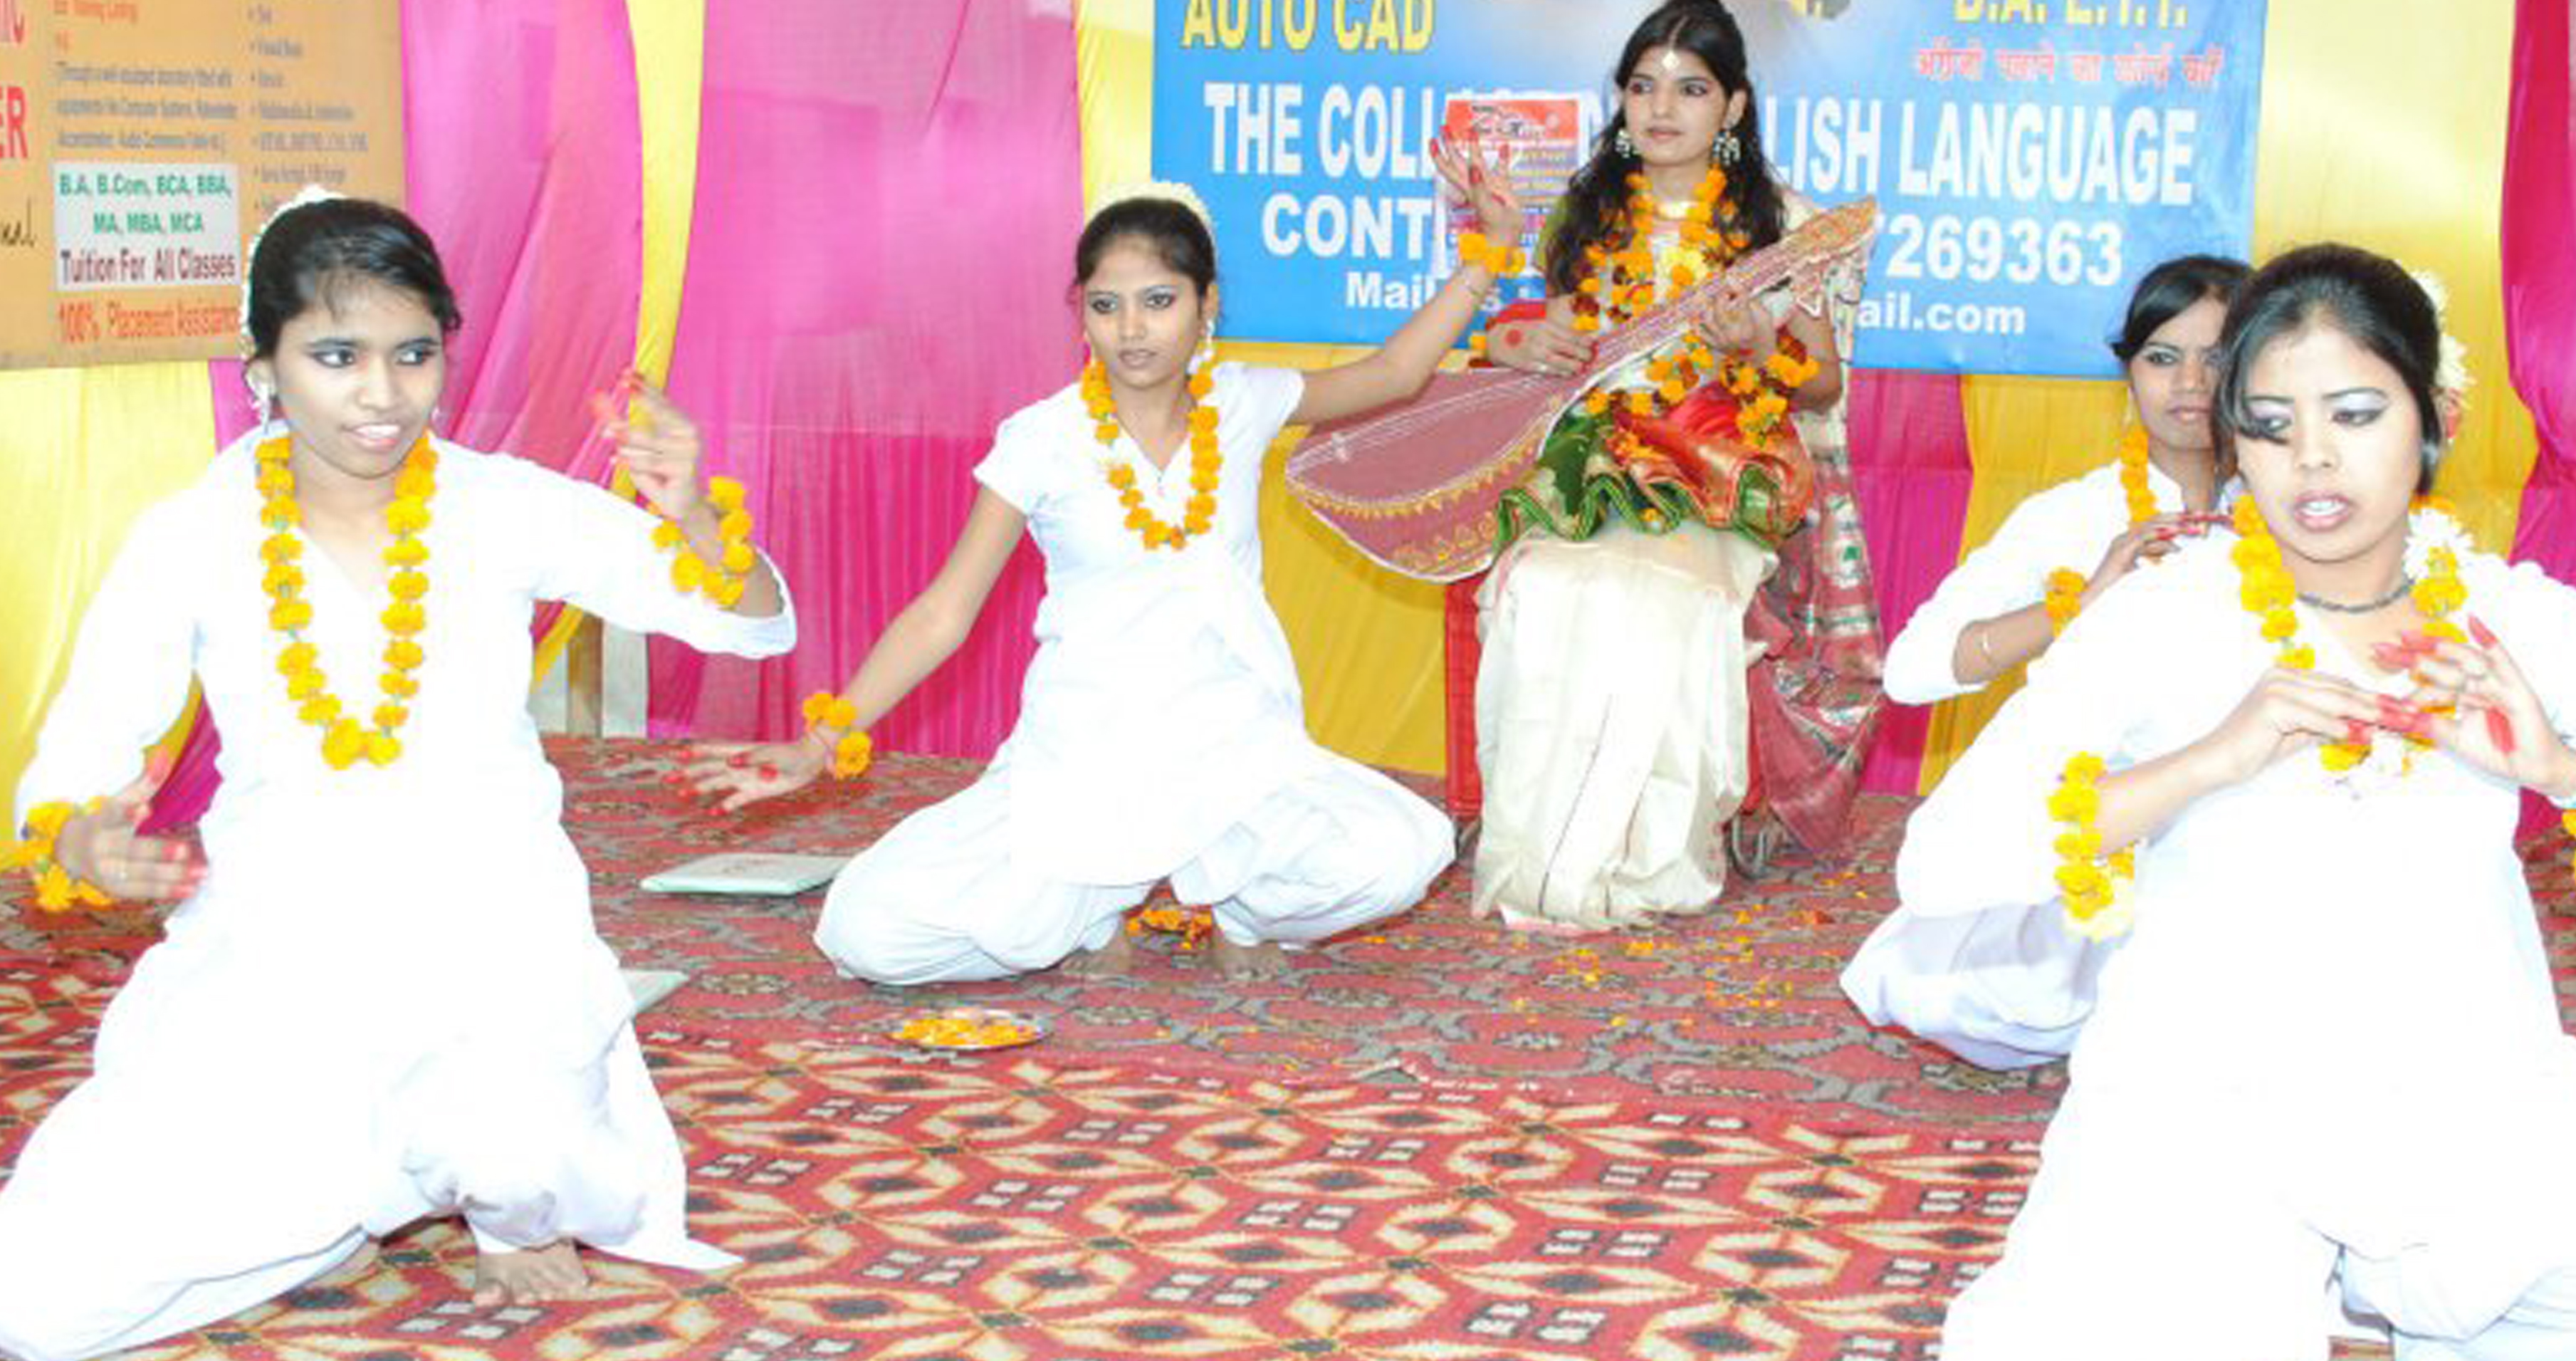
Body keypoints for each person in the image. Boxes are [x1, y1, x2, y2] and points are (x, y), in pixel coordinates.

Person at [1910, 243, 2576, 1361]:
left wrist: (2563, 767)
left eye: (2356, 415)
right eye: (2272, 426)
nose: (2315, 463)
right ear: (2232, 445)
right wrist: (2211, 758)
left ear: (2436, 423)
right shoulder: (2165, 617)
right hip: (2208, 1081)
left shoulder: (2515, 621)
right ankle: (2313, 1275)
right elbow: (1942, 858)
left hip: (2453, 1084)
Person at [0, 197, 794, 1361]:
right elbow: (76, 764)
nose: (383, 395)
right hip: (278, 954)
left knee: (526, 1164)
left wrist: (692, 516)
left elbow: (751, 630)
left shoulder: (497, 502)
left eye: (413, 353)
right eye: (337, 356)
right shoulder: (194, 533)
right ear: (260, 366)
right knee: (36, 1309)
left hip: (491, 949)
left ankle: (414, 1185)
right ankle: (343, 1208)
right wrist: (87, 847)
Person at [687, 162, 1520, 981]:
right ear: (1080, 315)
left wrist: (1492, 251)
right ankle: (1092, 909)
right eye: (1106, 305)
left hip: (1234, 750)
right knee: (868, 930)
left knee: (1399, 852)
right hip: (1083, 758)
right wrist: (821, 739)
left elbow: (1394, 375)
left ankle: (1240, 908)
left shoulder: (1242, 402)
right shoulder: (1042, 438)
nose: (1132, 330)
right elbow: (944, 611)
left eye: (1159, 302)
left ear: (1206, 308)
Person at [1471, 0, 1880, 932]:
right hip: (1603, 461)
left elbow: (1817, 383)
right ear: (1620, 98)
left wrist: (1749, 354)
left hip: (1725, 470)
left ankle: (1647, 865)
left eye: (1691, 88)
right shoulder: (1591, 211)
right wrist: (1517, 340)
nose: (1662, 108)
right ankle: (1538, 856)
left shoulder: (1782, 223)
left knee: (1662, 609)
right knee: (1537, 591)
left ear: (1732, 108)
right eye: (1643, 85)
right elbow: (1564, 335)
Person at [1842, 255, 2245, 1066]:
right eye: (2163, 358)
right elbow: (1913, 670)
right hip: (2105, 812)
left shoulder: (2298, 510)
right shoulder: (2073, 513)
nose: (2191, 383)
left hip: (2251, 810)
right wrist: (2078, 605)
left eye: (2220, 359)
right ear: (2127, 373)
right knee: (1963, 996)